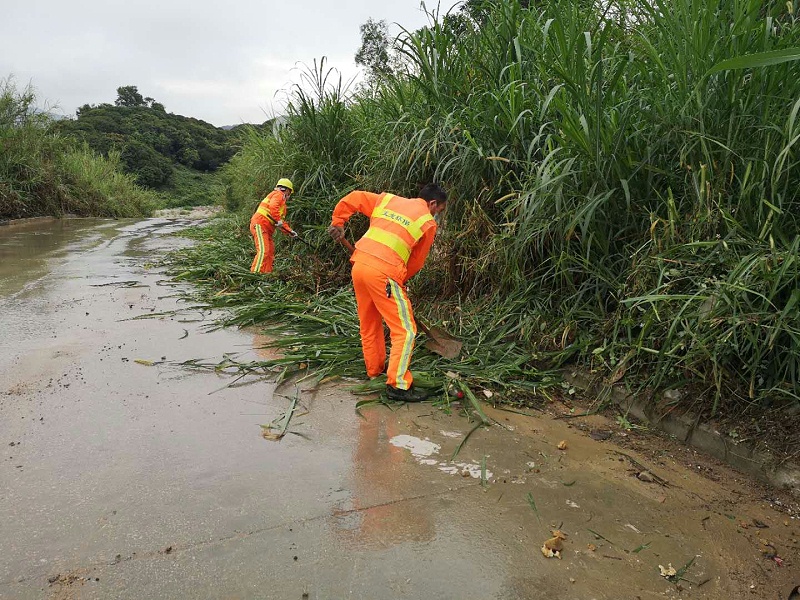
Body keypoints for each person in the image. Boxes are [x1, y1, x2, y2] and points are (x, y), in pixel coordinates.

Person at [327, 184, 447, 402]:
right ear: (432, 204)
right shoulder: (427, 222)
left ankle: (375, 371)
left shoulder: (388, 200)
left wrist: (338, 222)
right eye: (438, 210)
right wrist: (399, 280)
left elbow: (353, 197)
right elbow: (417, 262)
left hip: (359, 267)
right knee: (406, 330)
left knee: (370, 323)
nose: (436, 215)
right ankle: (398, 386)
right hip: (384, 273)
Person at [249, 178, 298, 274]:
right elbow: (273, 206)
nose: (289, 195)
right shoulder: (278, 195)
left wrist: (289, 231)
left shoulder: (283, 206)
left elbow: (281, 222)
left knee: (270, 251)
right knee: (263, 251)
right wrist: (278, 219)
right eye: (290, 193)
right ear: (287, 190)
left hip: (266, 229)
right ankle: (255, 274)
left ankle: (266, 273)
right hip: (260, 224)